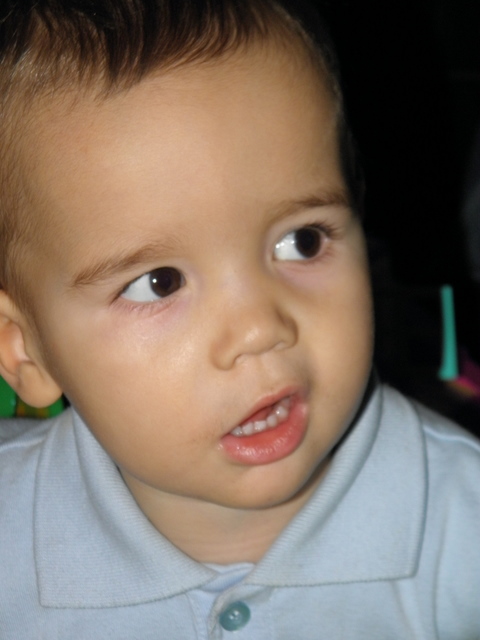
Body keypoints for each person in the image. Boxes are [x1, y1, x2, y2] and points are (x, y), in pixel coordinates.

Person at [0, 1, 478, 637]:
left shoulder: (463, 531)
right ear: (25, 350)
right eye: (159, 282)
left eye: (302, 241)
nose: (258, 329)